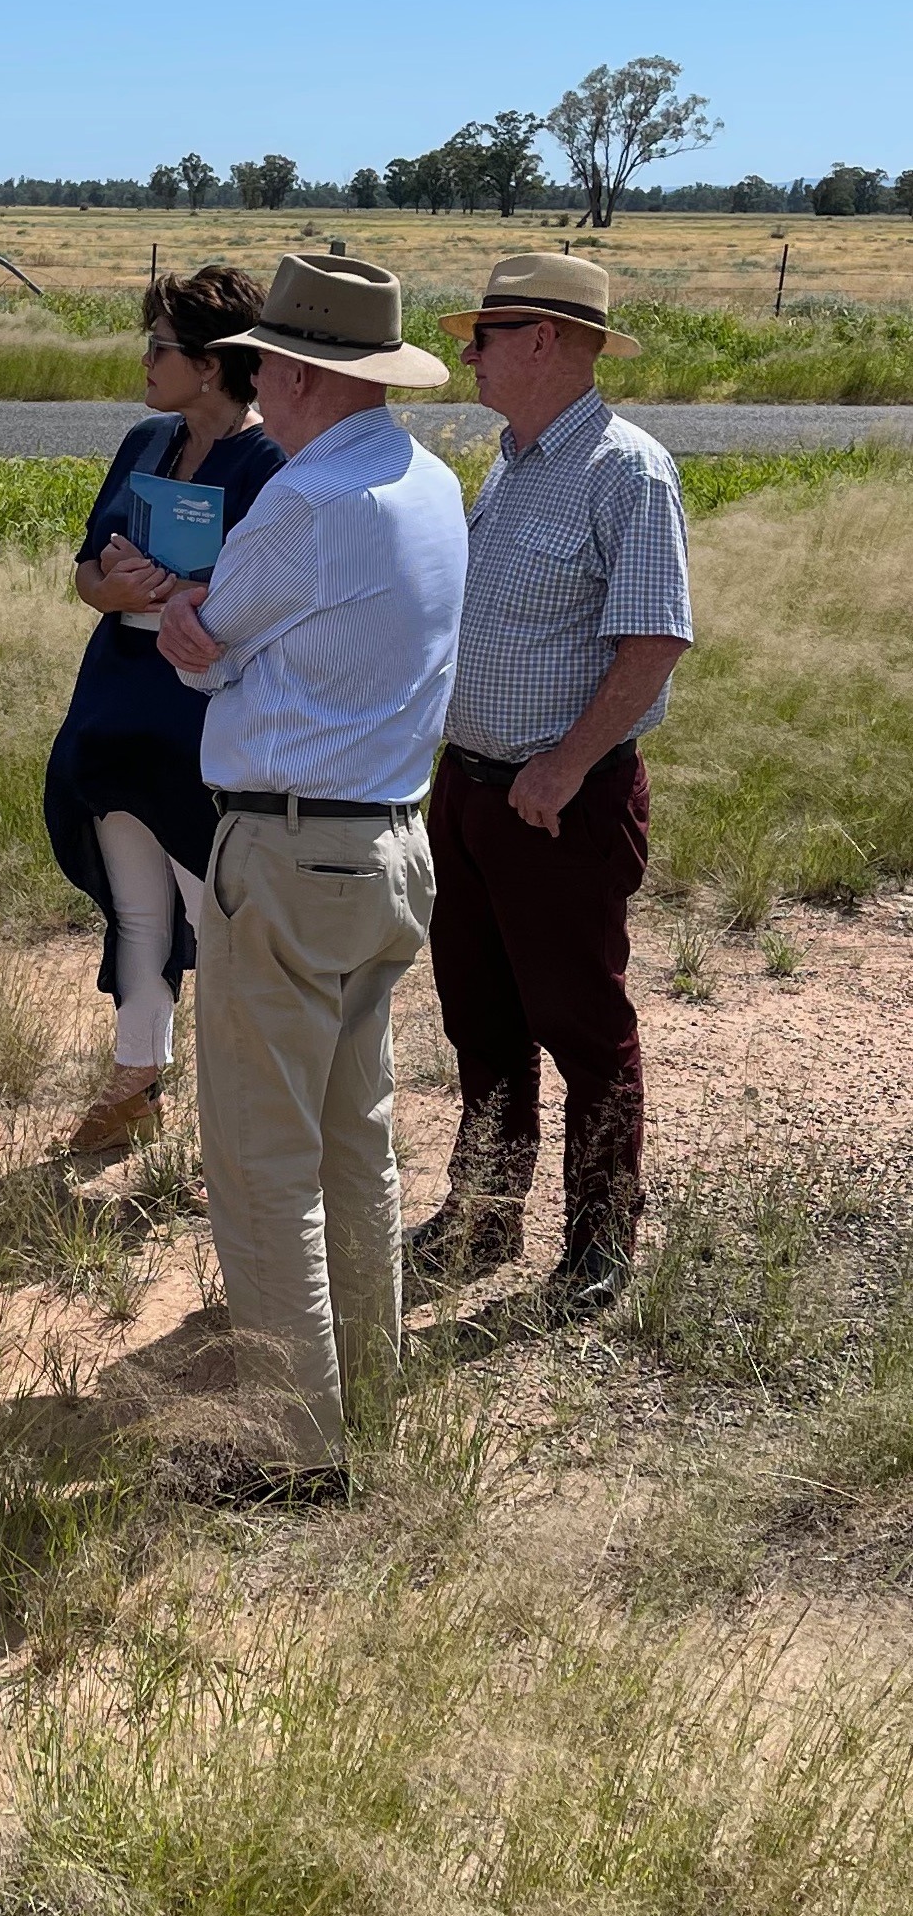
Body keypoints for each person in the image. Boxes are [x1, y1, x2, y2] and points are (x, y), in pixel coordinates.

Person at [156, 252, 465, 1492]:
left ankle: (292, 1448)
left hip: (286, 847)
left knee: (263, 1154)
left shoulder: (304, 499)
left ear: (296, 374)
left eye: (262, 367)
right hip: (391, 838)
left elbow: (204, 641)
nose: (254, 386)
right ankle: (365, 1398)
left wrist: (198, 639)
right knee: (357, 1135)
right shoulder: (432, 478)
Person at [408, 252, 691, 1316]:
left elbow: (656, 639)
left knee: (580, 1024)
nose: (465, 351)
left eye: (484, 333)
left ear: (543, 342)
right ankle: (484, 1211)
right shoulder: (513, 461)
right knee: (479, 1017)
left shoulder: (628, 471)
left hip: (558, 804)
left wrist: (566, 764)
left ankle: (599, 1244)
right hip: (474, 790)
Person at [43, 265, 287, 1155]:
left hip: (197, 718)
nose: (145, 360)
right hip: (116, 708)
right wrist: (111, 587)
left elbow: (272, 597)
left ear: (214, 366)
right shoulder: (145, 440)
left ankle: (239, 1105)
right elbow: (82, 574)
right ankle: (134, 1080)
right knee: (135, 909)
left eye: (162, 347)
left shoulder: (271, 461)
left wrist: (191, 592)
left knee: (212, 911)